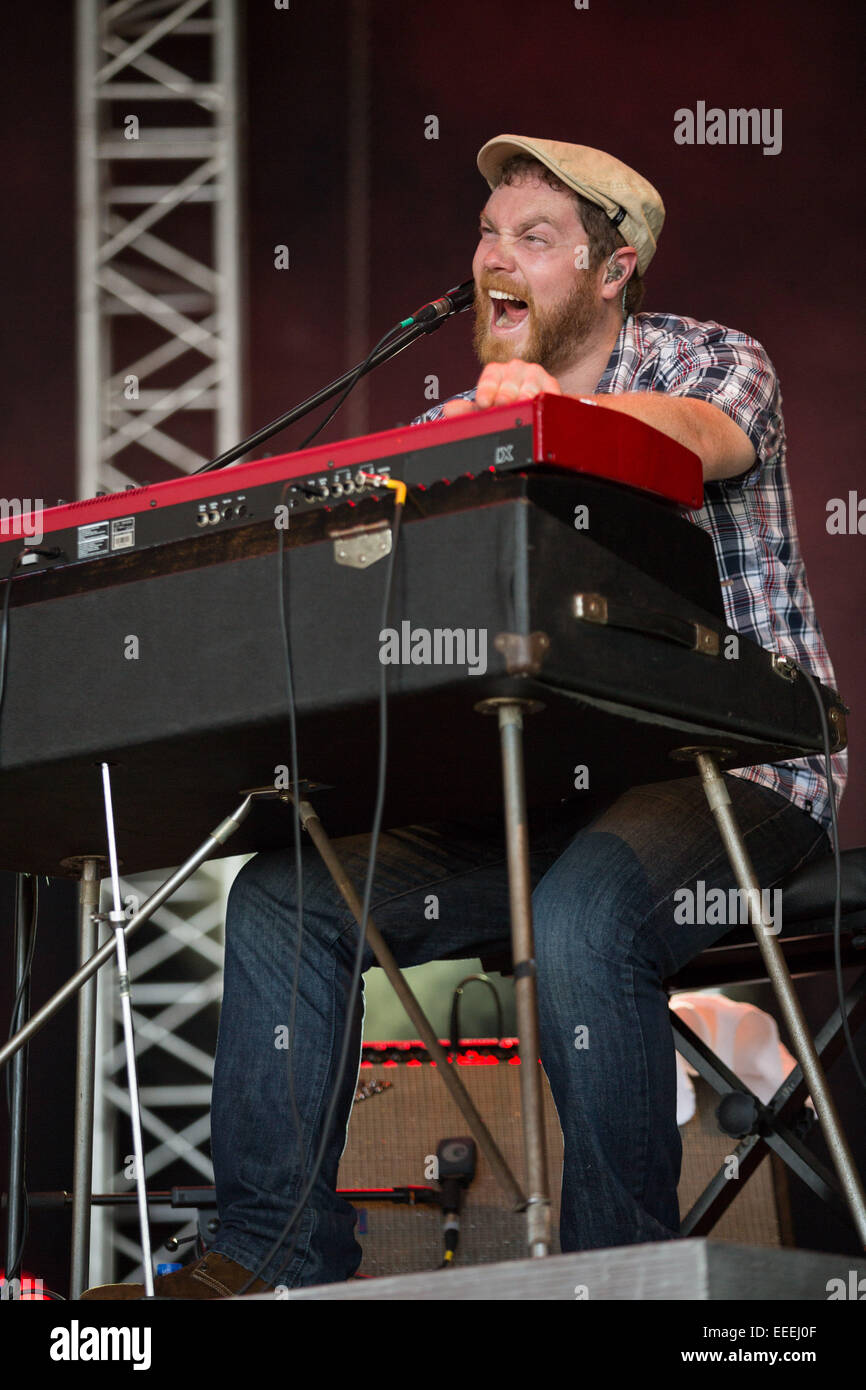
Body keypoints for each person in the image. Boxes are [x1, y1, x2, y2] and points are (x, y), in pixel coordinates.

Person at [81, 134, 845, 1299]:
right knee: (287, 895)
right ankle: (270, 1251)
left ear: (613, 267)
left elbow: (697, 441)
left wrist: (559, 413)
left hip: (737, 774)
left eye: (533, 238)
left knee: (583, 908)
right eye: (488, 232)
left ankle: (614, 1273)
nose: (494, 257)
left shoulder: (710, 360)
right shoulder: (463, 417)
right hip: (540, 793)